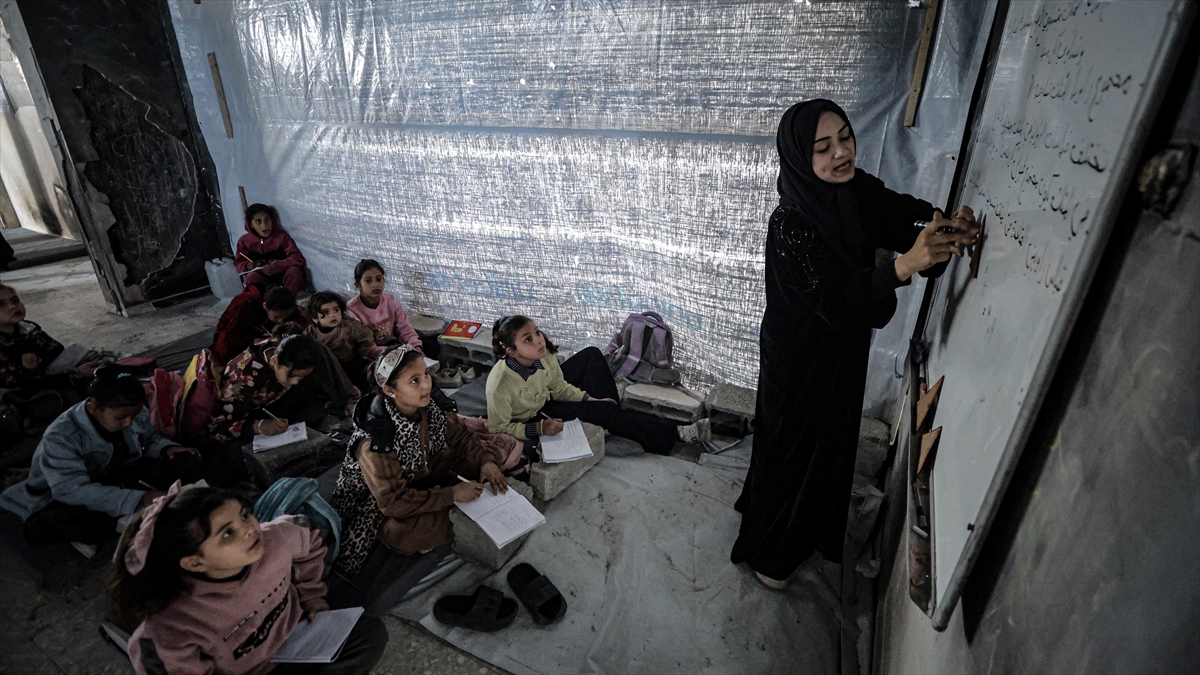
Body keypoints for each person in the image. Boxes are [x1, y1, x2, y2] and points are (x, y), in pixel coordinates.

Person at [730, 99, 980, 589]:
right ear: (801, 159)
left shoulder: (856, 190)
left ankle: (812, 530)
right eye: (823, 148)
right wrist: (903, 264)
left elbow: (903, 217)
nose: (841, 153)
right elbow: (838, 299)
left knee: (830, 448)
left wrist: (941, 227)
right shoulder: (790, 225)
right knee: (793, 451)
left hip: (840, 354)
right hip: (798, 360)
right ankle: (773, 555)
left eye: (845, 137)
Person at [113, 483, 388, 674]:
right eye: (227, 534)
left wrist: (312, 595)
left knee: (370, 635)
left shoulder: (278, 537)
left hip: (298, 638)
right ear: (195, 562)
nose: (249, 530)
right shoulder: (172, 626)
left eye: (245, 515)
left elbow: (311, 541)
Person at [330, 345, 506, 596]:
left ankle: (461, 506)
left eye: (425, 375)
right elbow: (392, 502)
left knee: (484, 460)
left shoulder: (425, 408)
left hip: (418, 474)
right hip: (374, 504)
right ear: (390, 390)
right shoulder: (374, 442)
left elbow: (462, 437)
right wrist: (452, 495)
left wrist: (486, 461)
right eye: (414, 380)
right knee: (403, 533)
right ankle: (465, 511)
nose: (426, 385)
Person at [0, 365, 202, 553]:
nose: (128, 423)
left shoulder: (131, 410)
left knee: (187, 460)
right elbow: (71, 490)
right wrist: (138, 498)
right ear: (95, 406)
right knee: (43, 527)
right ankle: (122, 519)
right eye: (121, 418)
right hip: (63, 495)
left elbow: (148, 440)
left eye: (134, 415)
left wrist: (166, 448)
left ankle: (126, 515)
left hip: (115, 474)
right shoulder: (61, 436)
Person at [486, 316, 710, 457]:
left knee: (592, 355)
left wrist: (591, 400)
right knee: (607, 411)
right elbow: (498, 428)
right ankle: (673, 434)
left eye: (536, 332)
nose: (538, 340)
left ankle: (608, 415)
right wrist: (539, 428)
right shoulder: (500, 385)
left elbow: (559, 387)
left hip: (547, 395)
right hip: (533, 415)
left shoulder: (543, 355)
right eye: (527, 339)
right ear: (511, 351)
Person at [0, 282, 103, 431]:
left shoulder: (29, 331)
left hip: (53, 383)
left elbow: (57, 353)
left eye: (15, 300)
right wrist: (77, 373)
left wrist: (80, 361)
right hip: (28, 402)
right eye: (1, 305)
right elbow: (25, 388)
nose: (12, 307)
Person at [205, 334, 321, 443]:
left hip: (268, 403)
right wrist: (258, 426)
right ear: (274, 361)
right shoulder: (243, 379)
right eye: (293, 375)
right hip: (243, 412)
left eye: (301, 377)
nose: (295, 382)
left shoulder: (281, 350)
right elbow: (215, 427)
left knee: (310, 387)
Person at [345, 259, 431, 357]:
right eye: (368, 281)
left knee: (431, 345)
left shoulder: (391, 301)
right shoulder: (351, 310)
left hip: (393, 346)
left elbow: (405, 328)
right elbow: (365, 346)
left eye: (379, 279)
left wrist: (416, 348)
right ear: (358, 285)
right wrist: (396, 354)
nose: (375, 284)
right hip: (369, 354)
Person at [211, 284, 306, 366]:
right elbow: (231, 336)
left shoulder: (285, 303)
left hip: (262, 333)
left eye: (286, 317)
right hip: (235, 339)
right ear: (265, 306)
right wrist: (258, 341)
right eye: (277, 317)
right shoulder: (246, 306)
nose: (281, 321)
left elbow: (300, 320)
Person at [304, 291, 376, 392]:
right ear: (315, 318)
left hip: (349, 362)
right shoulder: (310, 333)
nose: (333, 315)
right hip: (328, 368)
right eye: (326, 312)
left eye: (336, 310)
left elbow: (365, 335)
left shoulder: (349, 327)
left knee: (365, 372)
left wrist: (365, 354)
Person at [235, 203, 308, 295]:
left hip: (281, 275)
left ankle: (286, 302)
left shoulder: (281, 237)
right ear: (251, 224)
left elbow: (297, 258)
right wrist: (249, 266)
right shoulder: (244, 241)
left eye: (267, 220)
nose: (264, 225)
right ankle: (263, 304)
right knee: (252, 277)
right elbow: (238, 263)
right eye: (258, 221)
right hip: (262, 278)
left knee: (294, 272)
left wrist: (276, 267)